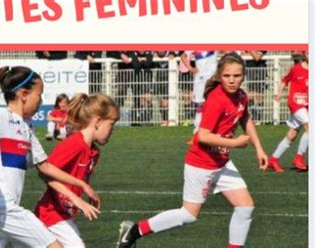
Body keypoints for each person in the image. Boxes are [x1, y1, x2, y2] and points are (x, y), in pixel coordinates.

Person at [117, 53, 268, 248]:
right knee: (188, 215)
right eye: (227, 76)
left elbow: (245, 119)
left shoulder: (241, 96)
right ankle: (135, 230)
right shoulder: (217, 99)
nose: (232, 80)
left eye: (237, 76)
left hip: (221, 163)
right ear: (219, 76)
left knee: (245, 207)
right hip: (201, 164)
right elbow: (203, 136)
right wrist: (235, 143)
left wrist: (259, 149)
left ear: (243, 76)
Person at [0, 66, 101, 248]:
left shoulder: (26, 127)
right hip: (1, 208)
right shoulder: (4, 116)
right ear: (23, 94)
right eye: (39, 95)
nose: (41, 100)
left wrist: (81, 185)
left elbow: (45, 167)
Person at [35, 93, 120, 247]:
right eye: (112, 124)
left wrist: (84, 195)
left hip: (62, 215)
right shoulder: (74, 143)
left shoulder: (93, 152)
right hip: (50, 214)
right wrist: (76, 199)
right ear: (98, 121)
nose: (112, 130)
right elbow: (45, 172)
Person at [268, 51, 309, 172]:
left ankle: (273, 159)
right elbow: (285, 80)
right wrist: (279, 93)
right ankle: (299, 158)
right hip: (295, 103)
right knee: (310, 127)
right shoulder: (296, 69)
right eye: (308, 53)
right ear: (305, 55)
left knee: (292, 134)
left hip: (307, 105)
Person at [180, 51, 217, 143]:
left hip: (213, 80)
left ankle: (214, 132)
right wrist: (190, 68)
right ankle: (196, 134)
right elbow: (183, 56)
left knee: (214, 105)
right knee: (200, 106)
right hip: (200, 80)